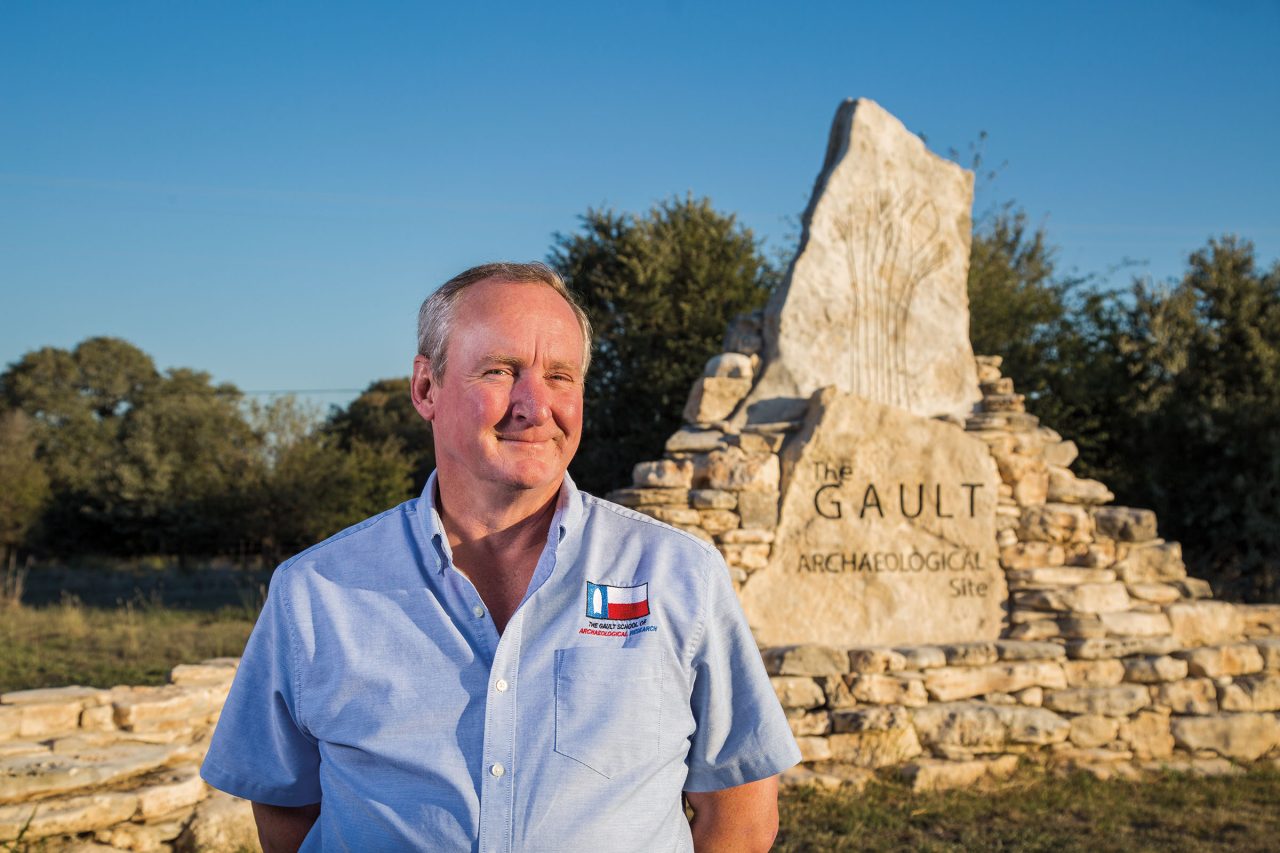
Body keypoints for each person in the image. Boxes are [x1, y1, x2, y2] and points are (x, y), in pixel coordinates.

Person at [200, 262, 800, 852]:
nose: (535, 405)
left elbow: (741, 814)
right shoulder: (315, 591)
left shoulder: (679, 575)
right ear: (425, 388)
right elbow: (286, 810)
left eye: (561, 376)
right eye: (499, 371)